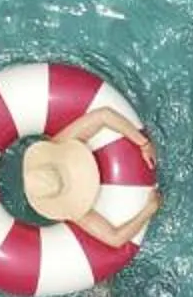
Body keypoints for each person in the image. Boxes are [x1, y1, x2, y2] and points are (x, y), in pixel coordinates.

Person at [20, 107, 161, 250]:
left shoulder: (62, 143)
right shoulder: (75, 210)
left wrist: (150, 209)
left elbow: (104, 114)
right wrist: (144, 144)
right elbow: (115, 239)